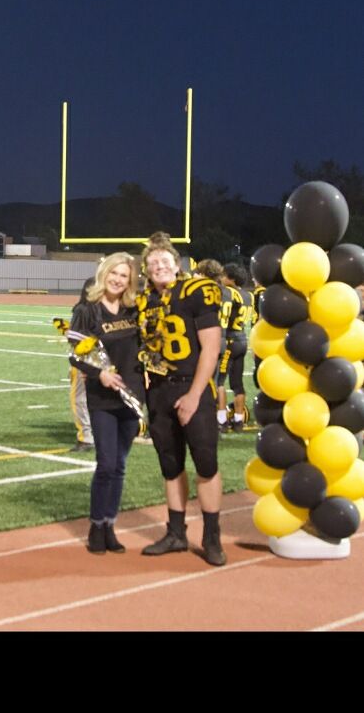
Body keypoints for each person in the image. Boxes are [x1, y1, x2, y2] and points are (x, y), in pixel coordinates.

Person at [137, 239, 226, 566]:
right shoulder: (145, 301)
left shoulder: (196, 291)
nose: (158, 265)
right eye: (152, 262)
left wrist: (194, 395)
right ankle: (176, 532)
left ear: (177, 264)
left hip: (193, 388)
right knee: (170, 465)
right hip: (159, 389)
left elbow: (211, 349)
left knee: (206, 464)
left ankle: (212, 536)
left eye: (164, 260)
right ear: (146, 270)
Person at [69, 252, 145, 555]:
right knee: (106, 464)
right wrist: (98, 374)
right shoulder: (88, 308)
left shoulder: (134, 308)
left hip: (131, 395)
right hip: (102, 396)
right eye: (113, 272)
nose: (117, 279)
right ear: (104, 273)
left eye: (124, 275)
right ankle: (96, 525)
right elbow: (76, 352)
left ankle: (110, 524)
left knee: (121, 465)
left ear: (130, 280)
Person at [216, 264, 253, 433]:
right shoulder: (249, 295)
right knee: (237, 383)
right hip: (242, 340)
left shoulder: (228, 293)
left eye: (224, 276)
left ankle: (221, 420)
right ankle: (238, 421)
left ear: (230, 278)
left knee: (219, 381)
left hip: (229, 340)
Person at [68, 277, 95, 451]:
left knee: (79, 398)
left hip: (85, 358)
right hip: (104, 360)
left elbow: (73, 337)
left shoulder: (83, 309)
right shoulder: (106, 309)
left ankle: (86, 437)